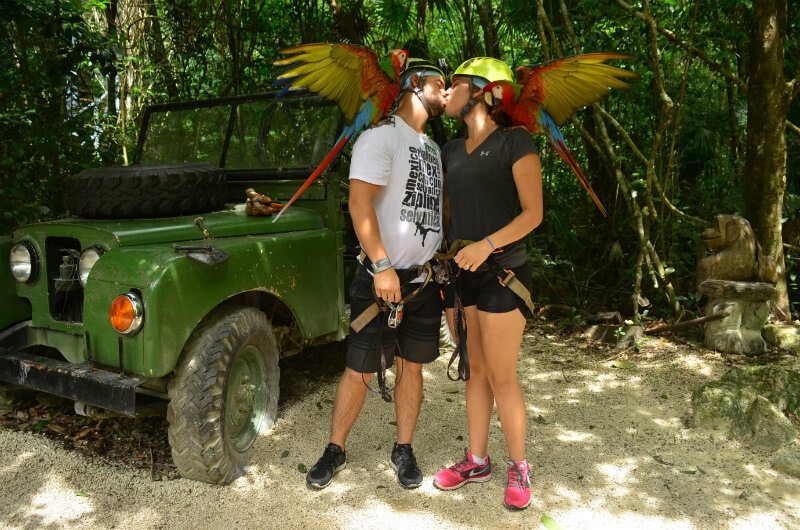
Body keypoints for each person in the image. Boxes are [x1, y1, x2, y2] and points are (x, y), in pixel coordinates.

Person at [306, 58, 448, 490]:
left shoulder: (434, 149)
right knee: (359, 367)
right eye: (441, 85)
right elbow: (359, 204)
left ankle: (403, 448)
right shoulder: (380, 137)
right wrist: (383, 265)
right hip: (379, 277)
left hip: (420, 281)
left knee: (413, 367)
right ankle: (335, 448)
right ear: (416, 85)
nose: (447, 93)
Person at [433, 57, 544, 510]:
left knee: (501, 375)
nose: (445, 93)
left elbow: (533, 213)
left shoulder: (516, 141)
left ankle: (519, 466)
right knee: (475, 372)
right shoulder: (449, 151)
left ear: (480, 91)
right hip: (461, 275)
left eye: (454, 84)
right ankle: (477, 459)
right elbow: (442, 214)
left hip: (504, 273)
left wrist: (486, 244)